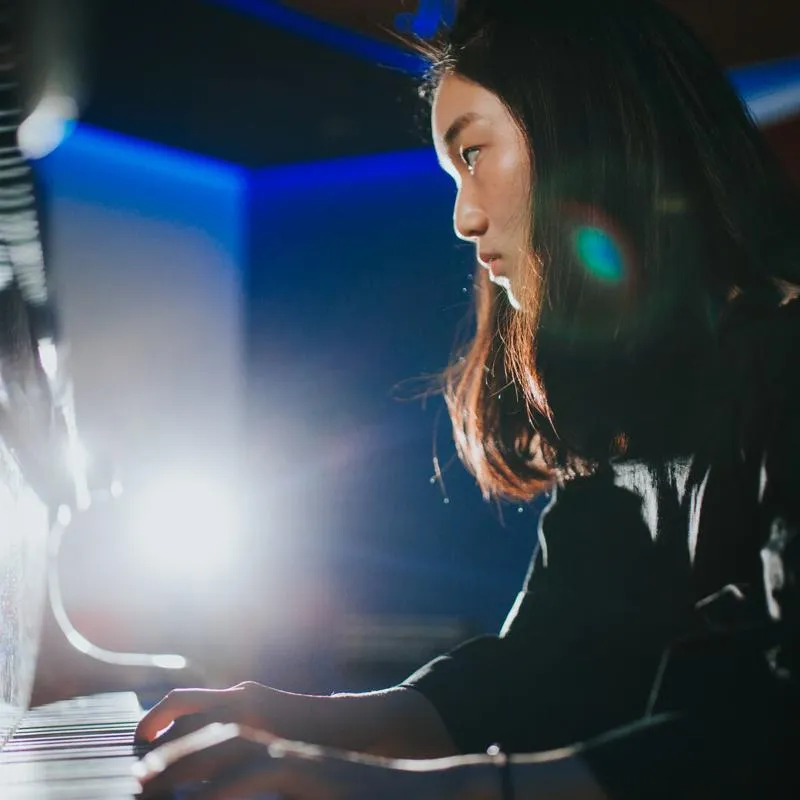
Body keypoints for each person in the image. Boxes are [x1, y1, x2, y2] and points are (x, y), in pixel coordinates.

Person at [133, 0, 800, 796]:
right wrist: (322, 720)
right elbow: (545, 664)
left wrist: (414, 790)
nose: (462, 217)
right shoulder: (643, 412)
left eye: (474, 153)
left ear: (586, 130)